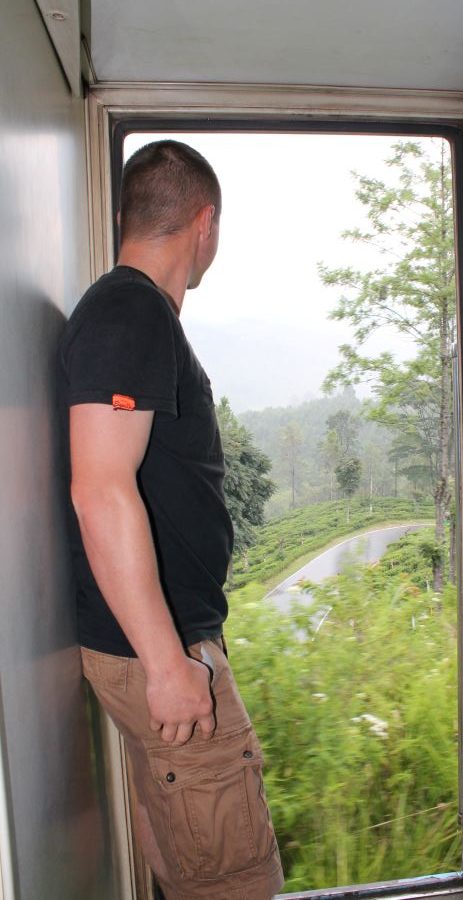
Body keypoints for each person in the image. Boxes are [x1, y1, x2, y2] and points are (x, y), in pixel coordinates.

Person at [59, 140, 284, 900]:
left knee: (184, 848)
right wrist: (168, 666)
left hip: (149, 641)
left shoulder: (127, 311)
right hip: (156, 647)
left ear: (128, 214)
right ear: (205, 222)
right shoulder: (131, 311)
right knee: (234, 873)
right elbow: (99, 488)